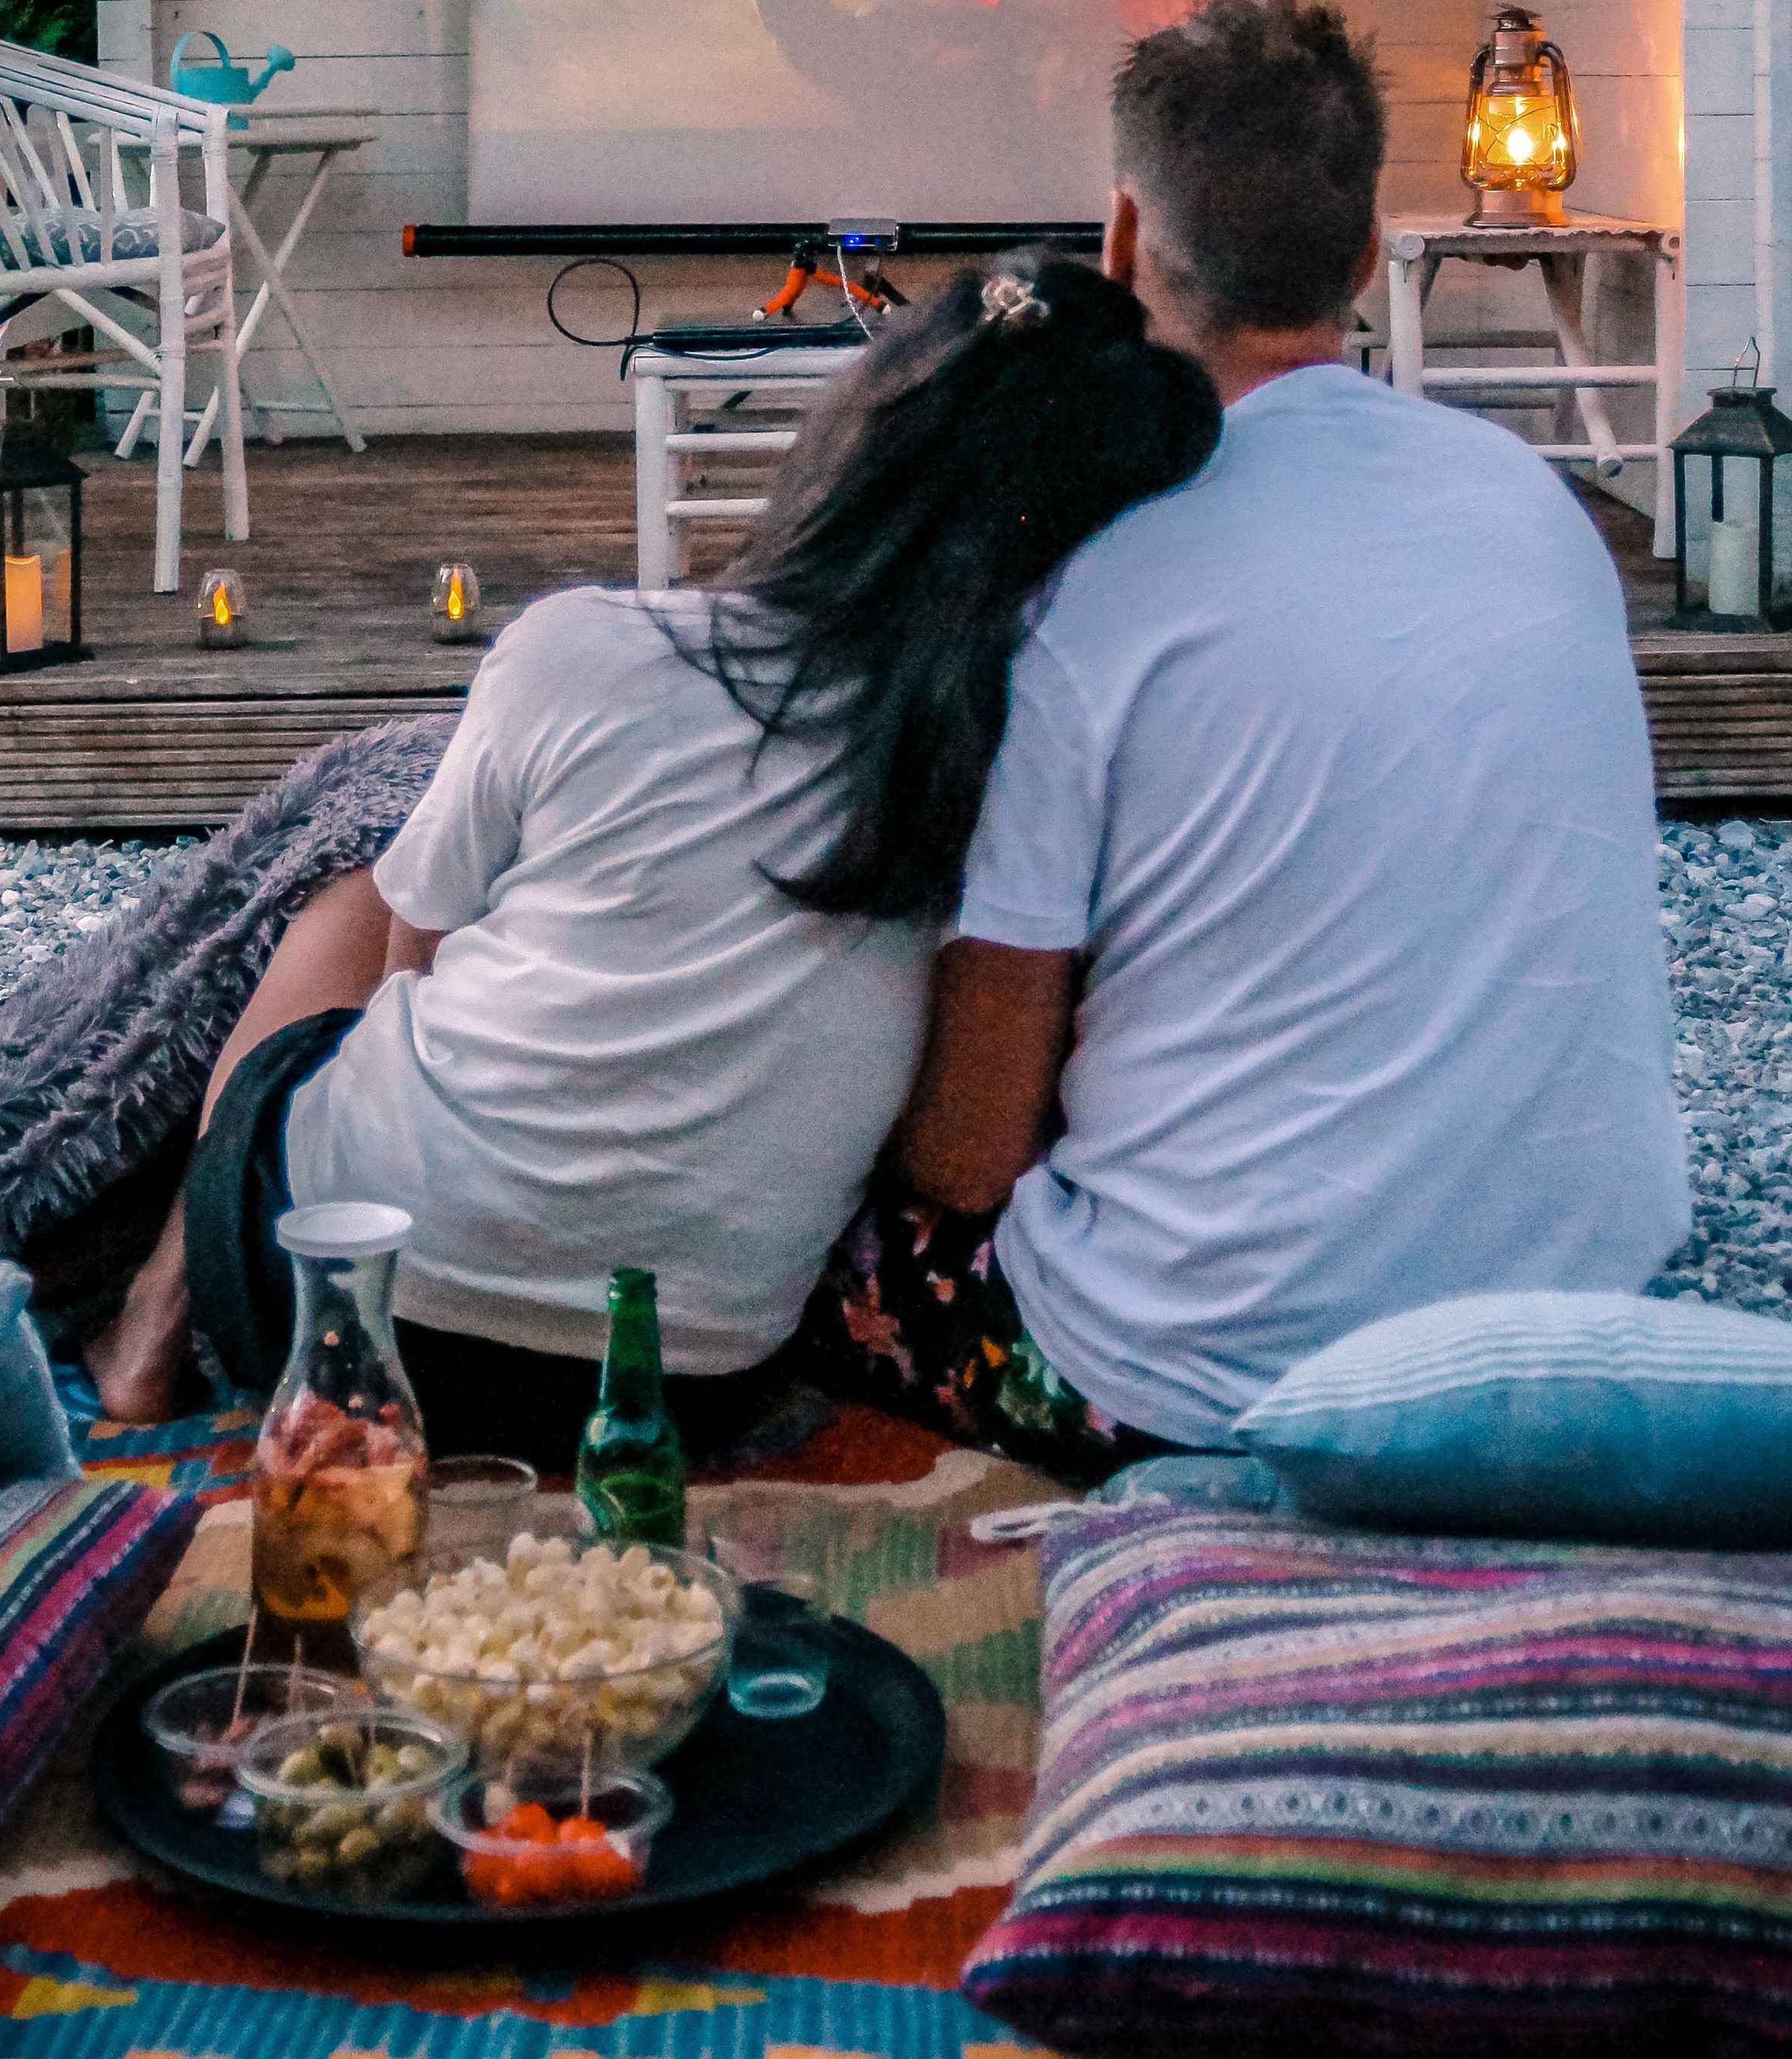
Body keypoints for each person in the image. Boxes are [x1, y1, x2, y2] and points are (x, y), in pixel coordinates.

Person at [86, 255, 1222, 1463]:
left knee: (361, 906)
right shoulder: (1015, 771)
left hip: (330, 1320)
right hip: (681, 1389)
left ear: (859, 438)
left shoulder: (585, 644)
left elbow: (418, 963)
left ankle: (155, 1319)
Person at [804, 0, 1691, 1487]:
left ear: (1123, 244)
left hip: (1201, 1381)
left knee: (787, 1216)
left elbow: (968, 1152)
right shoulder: (1539, 510)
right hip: (1579, 1322)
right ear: (1361, 257)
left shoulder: (1088, 572)